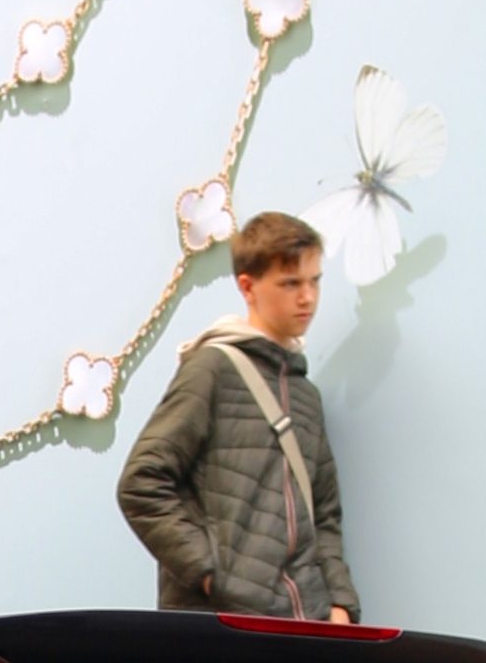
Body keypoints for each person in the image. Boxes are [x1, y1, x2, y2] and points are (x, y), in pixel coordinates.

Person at [117, 212, 357, 623]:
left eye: (314, 281)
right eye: (291, 283)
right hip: (223, 633)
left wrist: (339, 604)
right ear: (248, 286)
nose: (308, 298)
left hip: (305, 629)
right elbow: (141, 483)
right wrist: (213, 577)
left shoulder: (305, 395)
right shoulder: (212, 368)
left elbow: (325, 514)